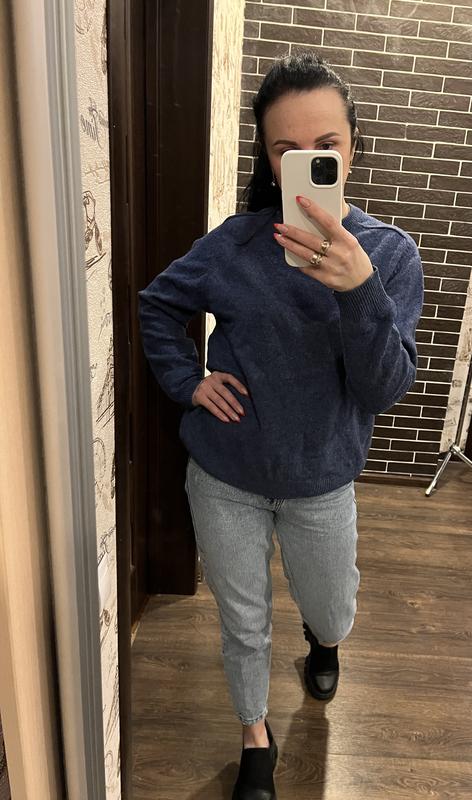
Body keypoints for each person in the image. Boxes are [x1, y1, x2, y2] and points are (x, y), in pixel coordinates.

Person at [138, 51, 424, 800]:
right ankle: (255, 738)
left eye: (325, 147)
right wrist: (189, 382)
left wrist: (359, 290)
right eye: (286, 150)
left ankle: (323, 643)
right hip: (226, 473)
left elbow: (385, 388)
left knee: (333, 609)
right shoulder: (236, 244)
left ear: (353, 146)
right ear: (268, 160)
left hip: (321, 479)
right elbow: (158, 304)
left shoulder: (389, 256)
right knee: (243, 621)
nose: (307, 164)